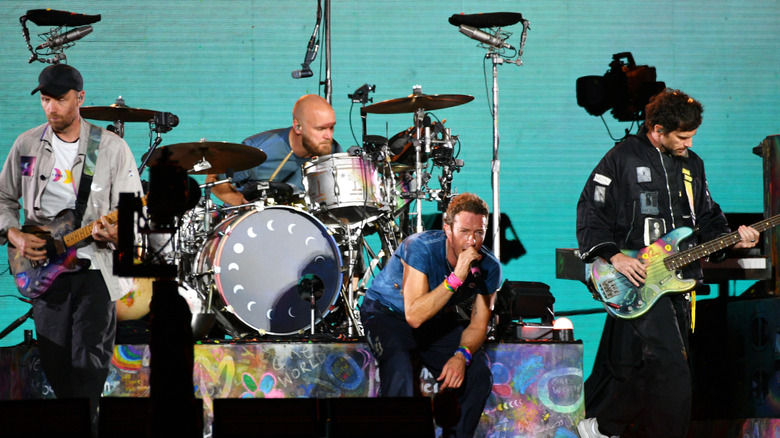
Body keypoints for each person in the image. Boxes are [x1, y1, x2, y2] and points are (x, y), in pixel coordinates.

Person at [575, 88, 759, 438]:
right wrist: (615, 256)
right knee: (673, 368)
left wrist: (736, 239)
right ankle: (606, 424)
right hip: (638, 278)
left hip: (679, 279)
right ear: (657, 129)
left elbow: (707, 219)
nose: (688, 143)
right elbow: (591, 210)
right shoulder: (621, 158)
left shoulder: (693, 165)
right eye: (683, 136)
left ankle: (603, 424)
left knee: (671, 372)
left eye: (692, 136)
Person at [0, 64, 143, 434]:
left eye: (60, 100)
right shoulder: (27, 144)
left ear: (79, 99)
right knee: (56, 362)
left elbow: (133, 217)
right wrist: (14, 235)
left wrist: (115, 235)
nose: (52, 109)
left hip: (95, 271)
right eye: (46, 100)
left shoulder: (110, 148)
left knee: (90, 363)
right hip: (43, 272)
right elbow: (3, 199)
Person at [360, 193, 502, 437]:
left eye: (479, 233)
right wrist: (456, 278)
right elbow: (414, 315)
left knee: (477, 373)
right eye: (464, 231)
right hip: (388, 313)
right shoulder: (420, 248)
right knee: (399, 367)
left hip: (435, 320)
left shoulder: (489, 266)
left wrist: (462, 354)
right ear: (447, 229)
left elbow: (478, 326)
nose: (472, 241)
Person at [205, 93, 341, 205]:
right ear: (298, 127)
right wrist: (242, 203)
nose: (328, 135)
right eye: (320, 129)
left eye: (331, 127)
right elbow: (213, 178)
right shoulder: (258, 150)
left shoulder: (332, 149)